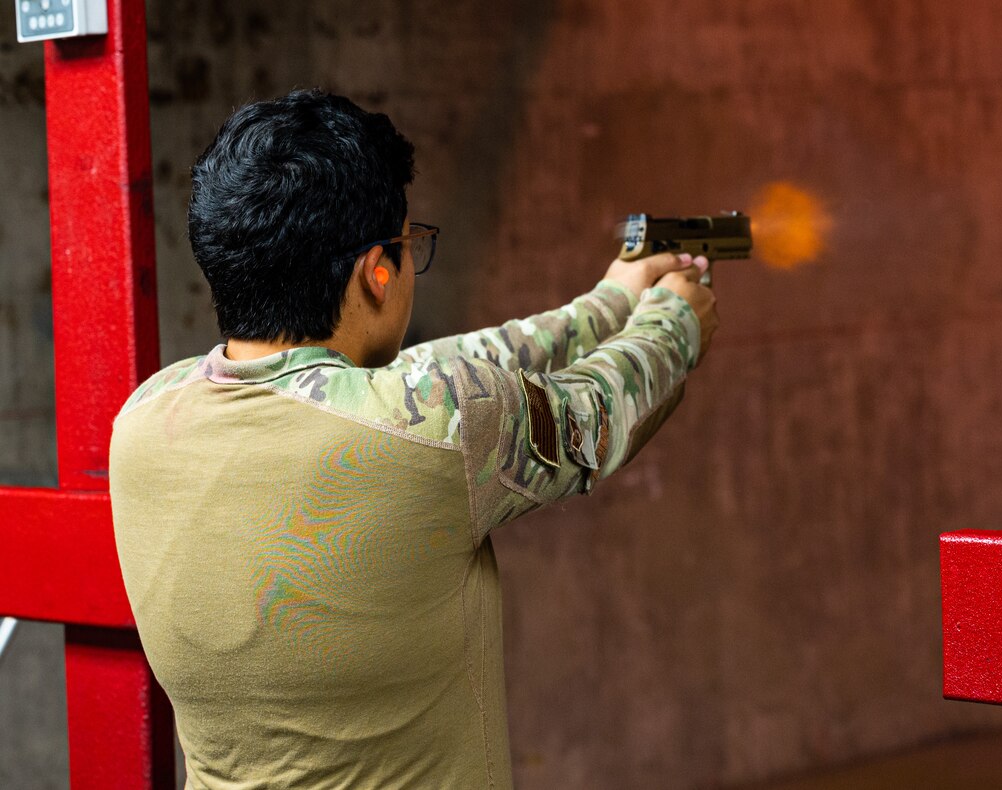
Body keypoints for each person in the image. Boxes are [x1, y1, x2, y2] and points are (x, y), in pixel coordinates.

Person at [109, 89, 717, 790]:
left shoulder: (144, 419)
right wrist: (676, 319)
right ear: (377, 274)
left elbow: (417, 383)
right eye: (408, 247)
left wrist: (609, 301)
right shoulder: (437, 430)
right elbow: (601, 408)